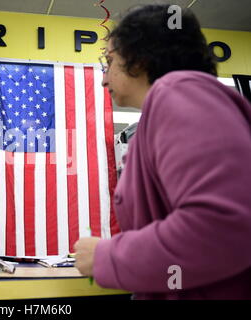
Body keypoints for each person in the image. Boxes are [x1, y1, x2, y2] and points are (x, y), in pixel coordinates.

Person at [74, 4, 251, 299]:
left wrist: (107, 256)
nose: (104, 78)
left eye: (110, 61)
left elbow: (221, 228)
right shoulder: (172, 104)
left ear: (140, 59)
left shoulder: (179, 91)